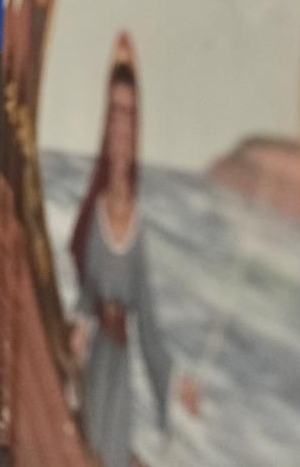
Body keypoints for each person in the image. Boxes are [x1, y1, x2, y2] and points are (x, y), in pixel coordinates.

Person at [67, 34, 201, 467]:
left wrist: (177, 381)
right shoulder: (94, 212)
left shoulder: (144, 224)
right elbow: (87, 294)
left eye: (129, 113)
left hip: (122, 375)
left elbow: (150, 324)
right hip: (94, 365)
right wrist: (80, 326)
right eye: (114, 112)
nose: (121, 126)